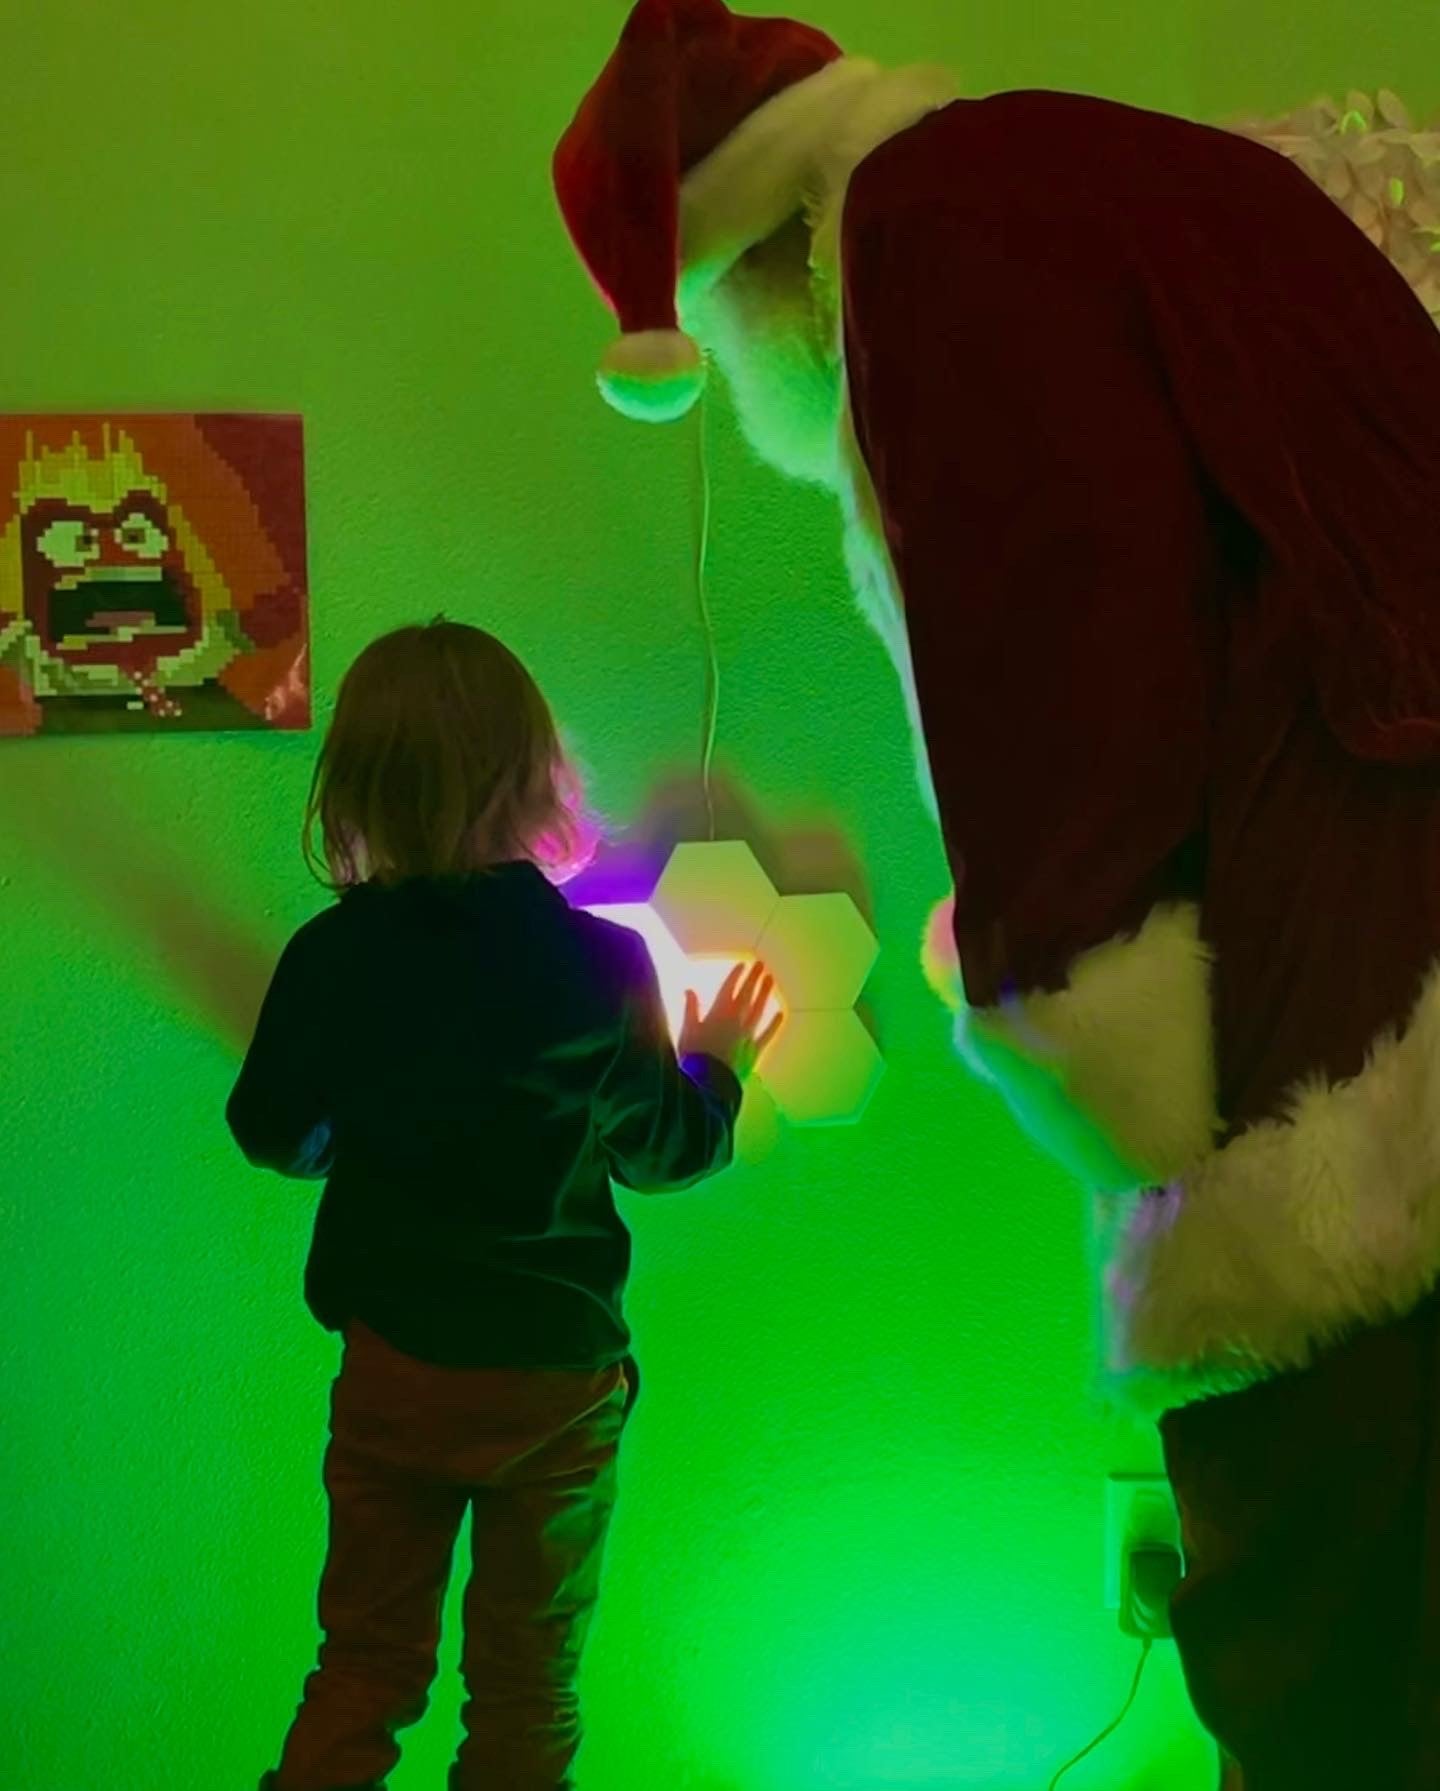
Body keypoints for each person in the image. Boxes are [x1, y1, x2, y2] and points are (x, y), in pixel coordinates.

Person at [554, 5, 1440, 1787]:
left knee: (1332, 1644)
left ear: (741, 282)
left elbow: (1056, 635)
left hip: (1348, 1043)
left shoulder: (936, 233)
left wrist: (1065, 983)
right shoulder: (1104, 181)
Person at [228, 617, 782, 1791]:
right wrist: (718, 1065)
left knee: (366, 1670)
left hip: (397, 1378)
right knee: (526, 1693)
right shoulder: (600, 967)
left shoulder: (331, 959)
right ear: (538, 779)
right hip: (553, 1384)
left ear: (358, 790)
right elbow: (667, 1154)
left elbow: (269, 1131)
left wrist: (356, 1121)